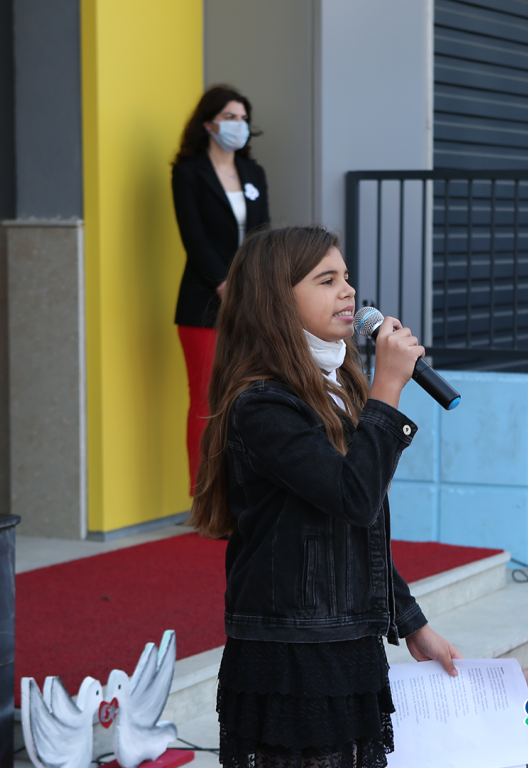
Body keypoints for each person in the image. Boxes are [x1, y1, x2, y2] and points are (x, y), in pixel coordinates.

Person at [190, 226, 462, 768]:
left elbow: (356, 530)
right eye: (327, 280)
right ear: (276, 300)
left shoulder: (336, 385)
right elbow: (354, 496)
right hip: (292, 651)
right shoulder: (263, 405)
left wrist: (412, 623)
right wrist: (388, 387)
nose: (349, 291)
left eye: (347, 277)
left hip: (348, 637)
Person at [172, 84, 270, 494]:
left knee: (248, 395)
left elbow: (263, 234)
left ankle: (242, 493)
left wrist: (254, 284)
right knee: (206, 399)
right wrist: (224, 283)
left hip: (252, 297)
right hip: (204, 301)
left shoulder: (254, 173)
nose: (239, 125)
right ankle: (204, 498)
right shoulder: (188, 172)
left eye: (243, 118)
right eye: (230, 117)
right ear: (209, 123)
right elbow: (193, 236)